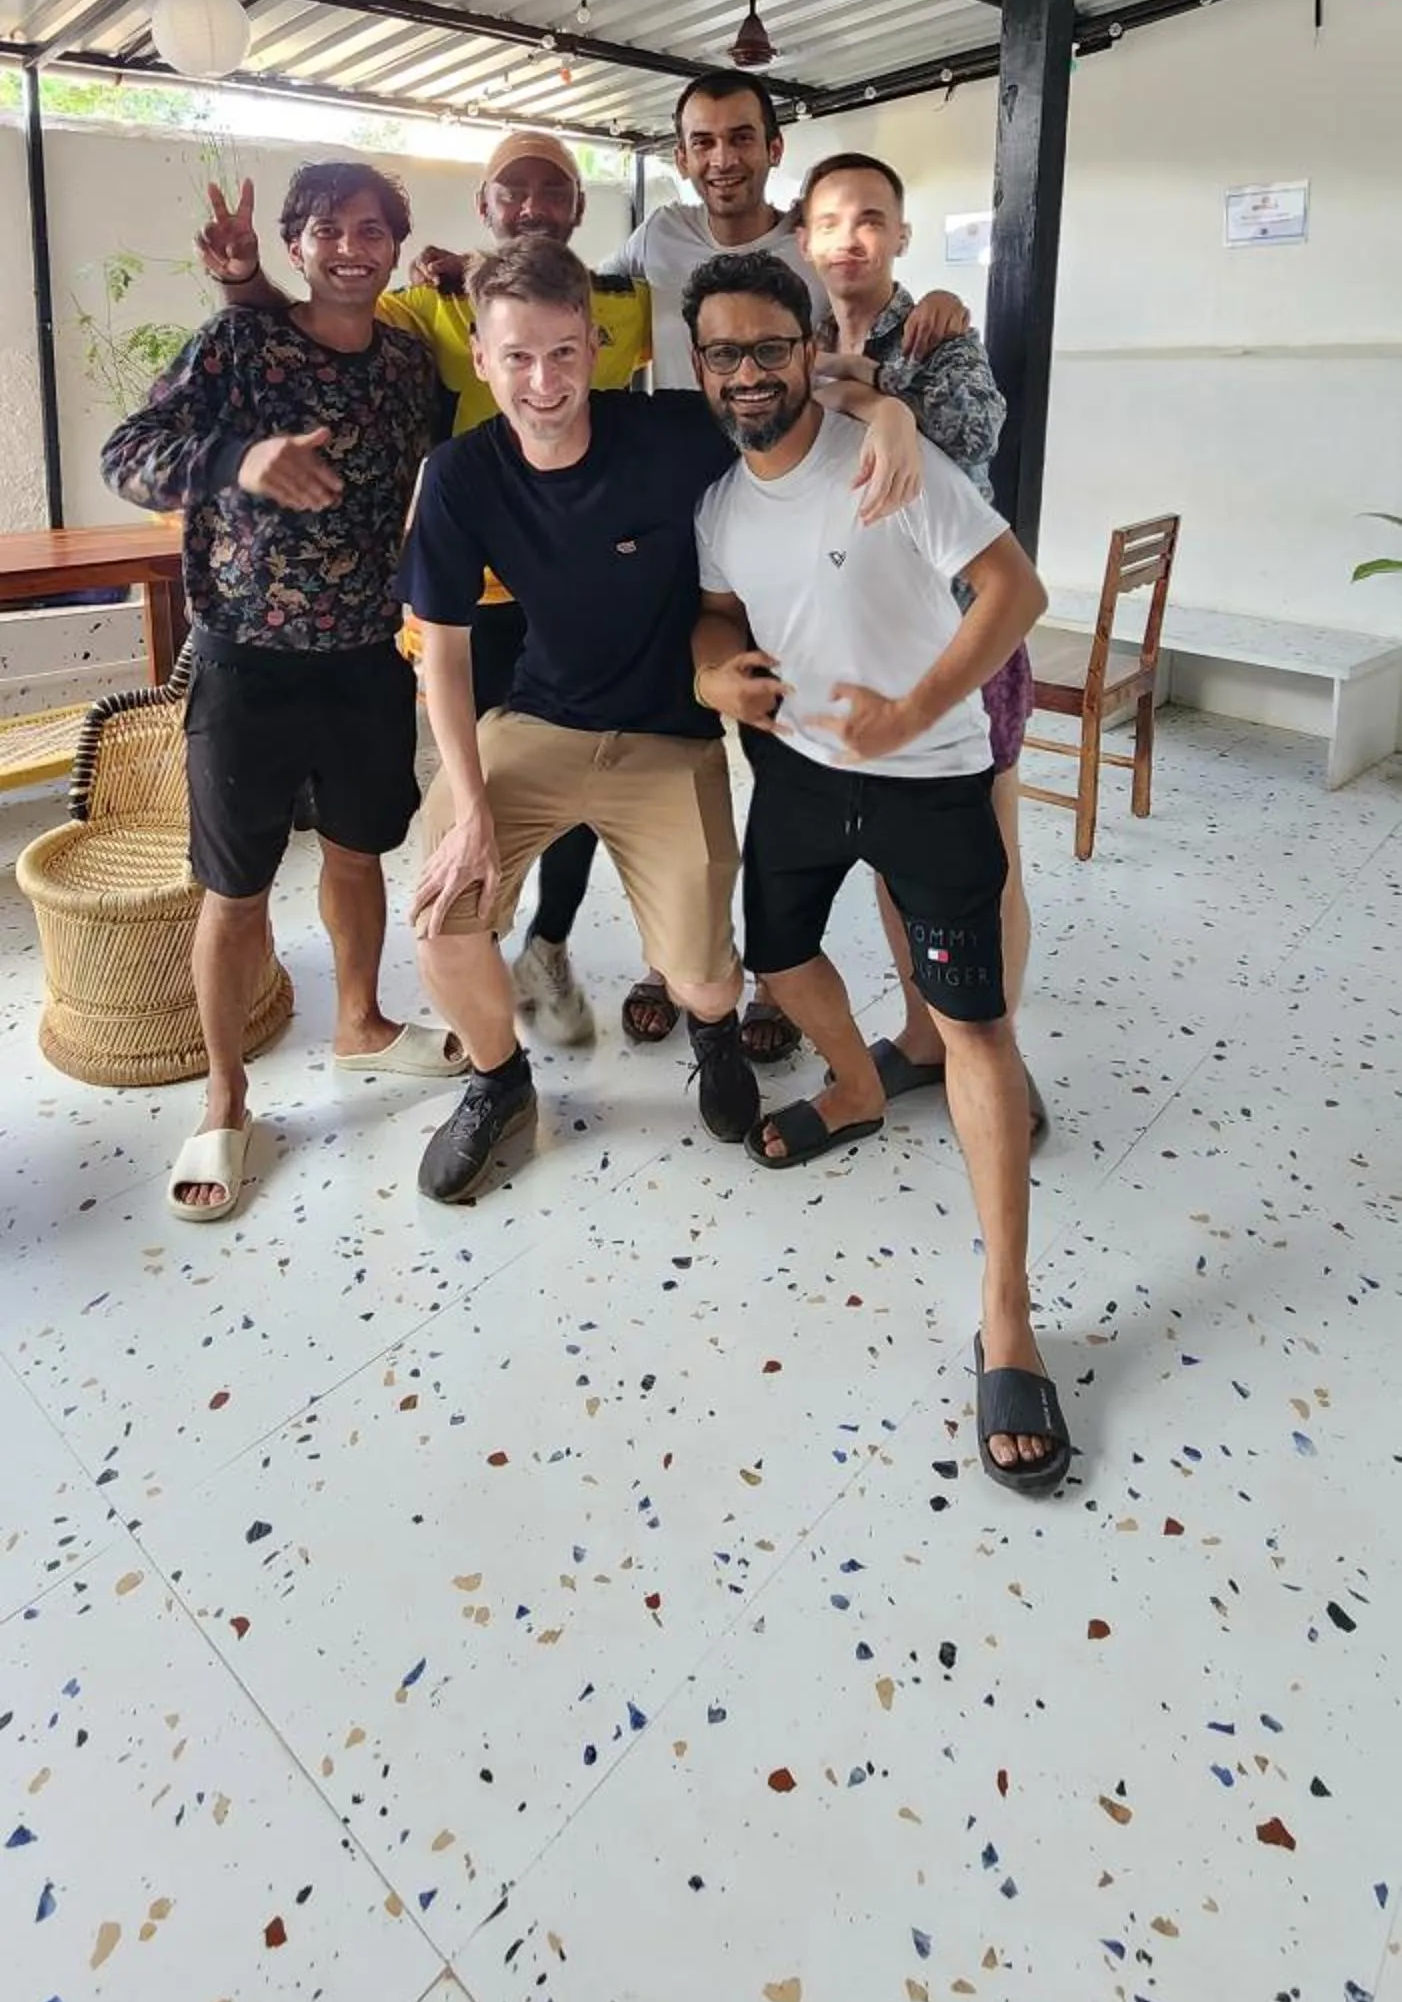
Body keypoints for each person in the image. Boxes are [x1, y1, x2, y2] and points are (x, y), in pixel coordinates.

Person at [396, 235, 923, 1204]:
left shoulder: (671, 434)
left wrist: (887, 411)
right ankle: (497, 1081)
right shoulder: (461, 474)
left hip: (669, 735)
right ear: (479, 358)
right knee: (442, 912)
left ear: (596, 347)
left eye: (563, 352)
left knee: (703, 979)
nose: (543, 382)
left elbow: (792, 387)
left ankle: (713, 1034)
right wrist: (467, 811)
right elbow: (445, 653)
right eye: (517, 357)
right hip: (537, 723)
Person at [686, 251, 1070, 1499]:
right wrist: (709, 668)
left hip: (930, 779)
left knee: (973, 1030)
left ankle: (1005, 1317)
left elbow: (1015, 590)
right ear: (699, 367)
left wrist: (914, 711)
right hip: (798, 774)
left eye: (769, 348)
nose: (747, 374)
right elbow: (716, 608)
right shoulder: (718, 506)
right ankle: (854, 1086)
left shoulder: (890, 461)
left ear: (812, 353)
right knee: (780, 956)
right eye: (723, 354)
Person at [197, 130, 650, 1054]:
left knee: (576, 779)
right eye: (512, 191)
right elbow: (319, 312)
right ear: (484, 206)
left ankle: (546, 945)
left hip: (562, 598)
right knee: (469, 784)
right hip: (454, 605)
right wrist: (243, 283)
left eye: (552, 191)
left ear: (579, 207)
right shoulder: (425, 310)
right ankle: (468, 949)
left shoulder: (623, 305)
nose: (533, 206)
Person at [597, 69, 973, 1059]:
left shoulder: (804, 251)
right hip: (685, 516)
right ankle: (674, 956)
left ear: (774, 149)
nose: (720, 159)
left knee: (788, 746)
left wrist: (897, 387)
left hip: (799, 506)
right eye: (701, 141)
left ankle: (779, 972)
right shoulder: (653, 240)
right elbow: (567, 307)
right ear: (681, 154)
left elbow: (860, 341)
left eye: (740, 137)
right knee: (672, 743)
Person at [102, 163, 447, 1225]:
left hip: (366, 655)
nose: (351, 247)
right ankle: (225, 1095)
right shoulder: (236, 345)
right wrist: (241, 461)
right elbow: (128, 455)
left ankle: (362, 1023)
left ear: (396, 247)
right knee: (236, 886)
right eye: (327, 230)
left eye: (372, 230)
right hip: (245, 658)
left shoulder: (408, 361)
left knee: (359, 850)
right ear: (295, 247)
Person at [797, 149, 1044, 1134]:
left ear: (900, 234)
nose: (850, 238)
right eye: (830, 221)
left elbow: (972, 444)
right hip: (858, 640)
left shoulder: (938, 335)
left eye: (871, 218)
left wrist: (880, 390)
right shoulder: (796, 339)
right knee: (896, 859)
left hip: (961, 634)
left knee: (986, 859)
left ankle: (994, 1049)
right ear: (804, 238)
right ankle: (922, 1033)